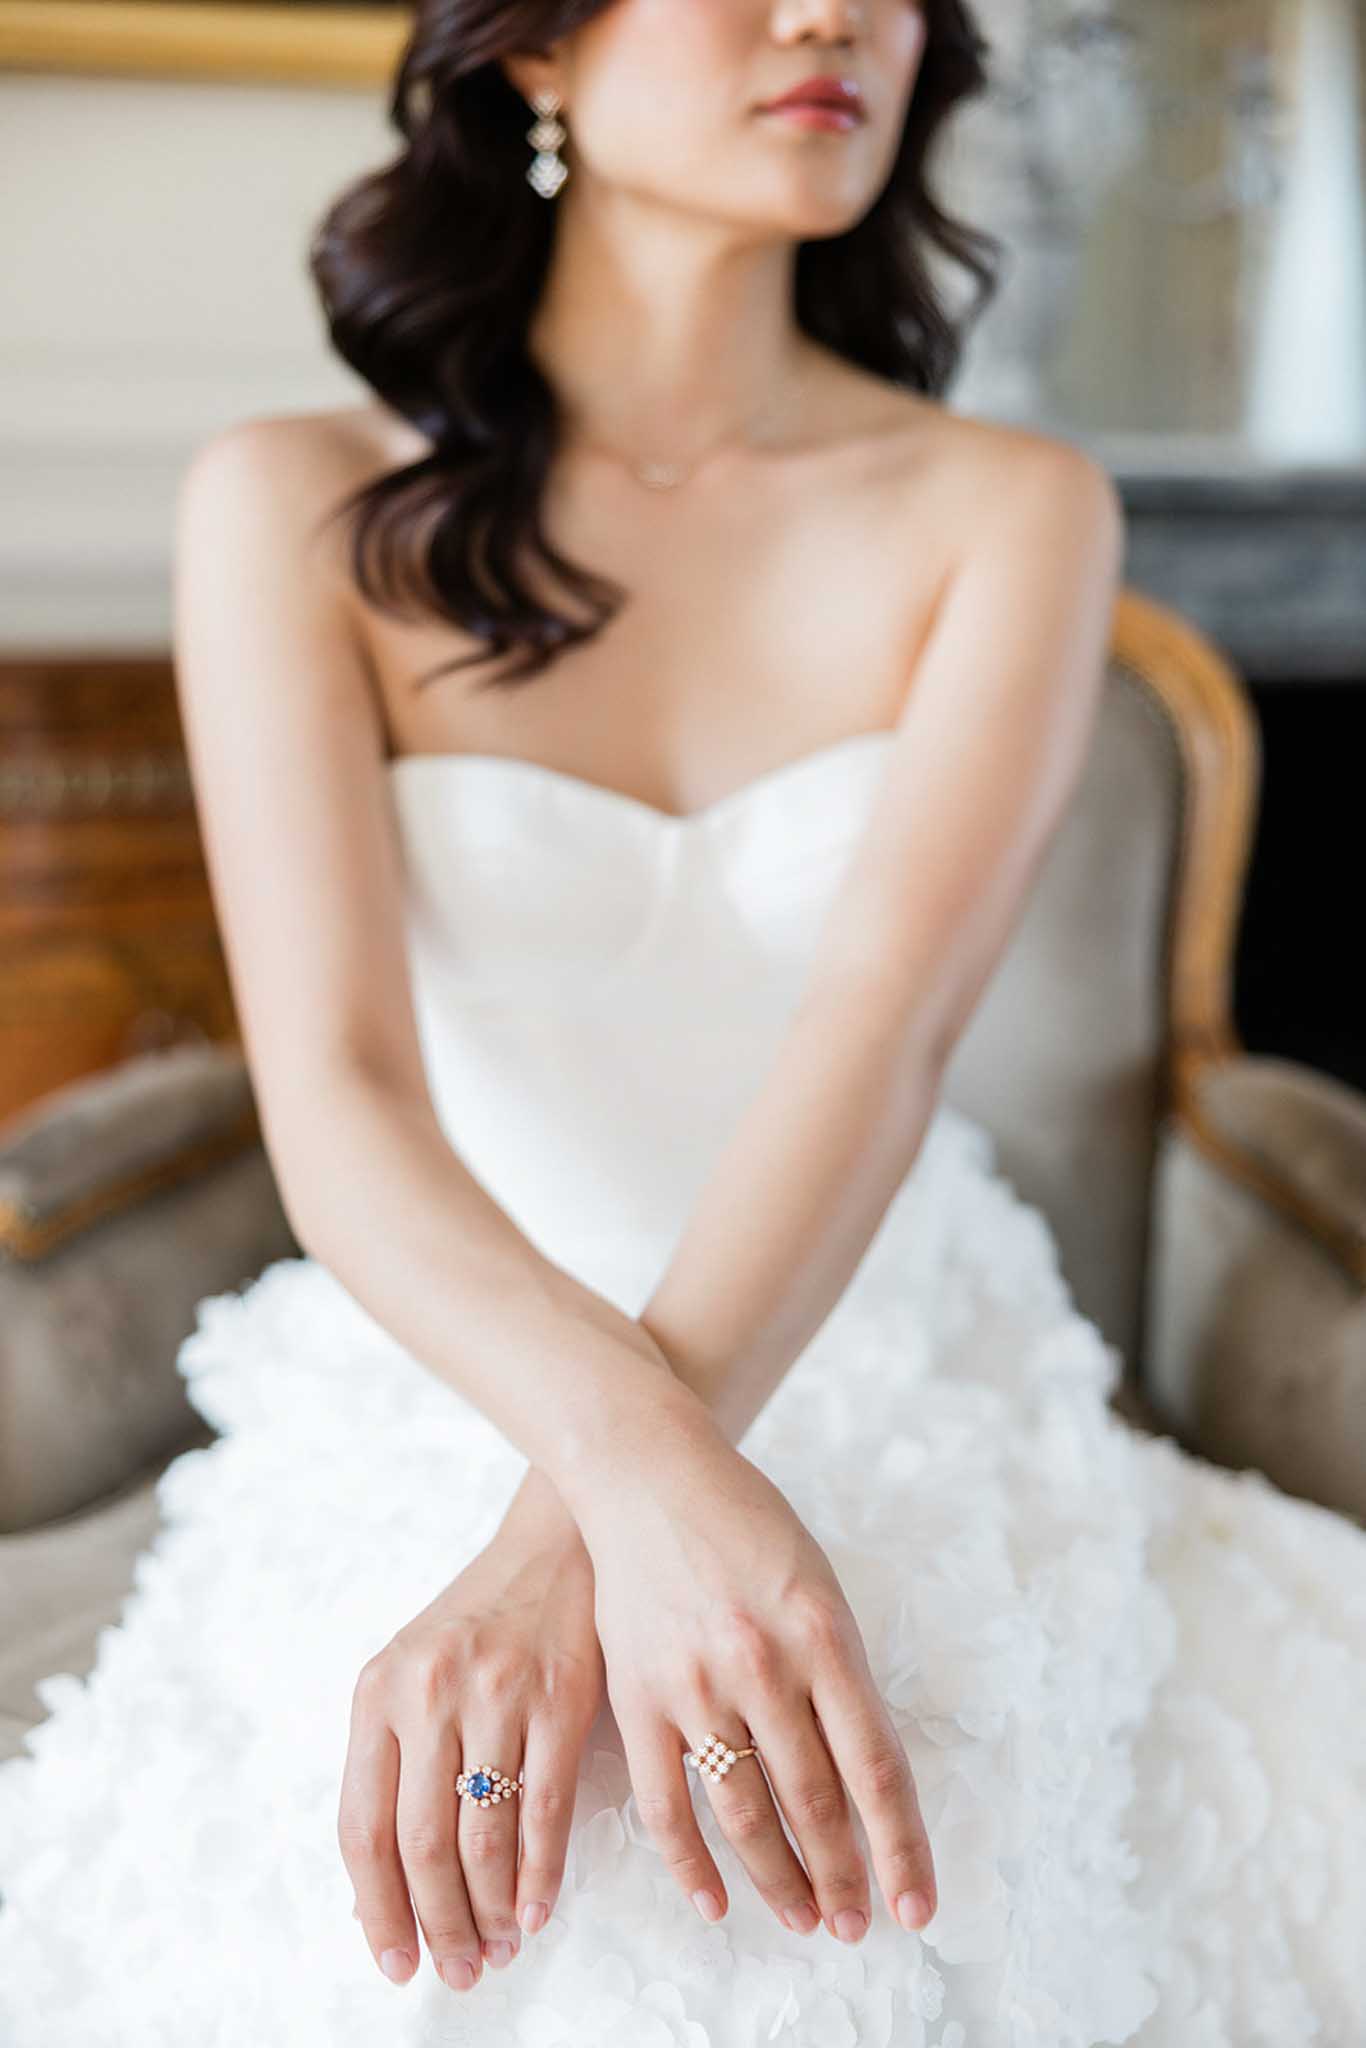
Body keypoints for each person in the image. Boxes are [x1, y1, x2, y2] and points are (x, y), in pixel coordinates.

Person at [1, 0, 1362, 2041]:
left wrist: (603, 1511)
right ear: (532, 53)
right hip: (448, 1336)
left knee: (851, 1858)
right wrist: (618, 1470)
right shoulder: (287, 501)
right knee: (481, 1869)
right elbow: (339, 1088)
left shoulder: (1011, 509)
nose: (834, 16)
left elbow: (880, 1037)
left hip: (874, 1322)